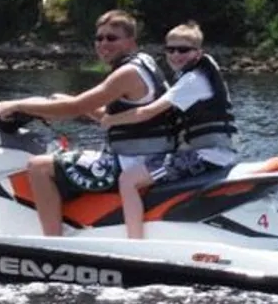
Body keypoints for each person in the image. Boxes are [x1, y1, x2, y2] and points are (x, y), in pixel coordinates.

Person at [0, 9, 174, 236]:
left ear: (131, 41)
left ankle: (52, 243)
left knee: (38, 167)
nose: (103, 44)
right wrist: (69, 101)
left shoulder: (127, 73)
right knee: (64, 155)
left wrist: (17, 105)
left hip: (133, 161)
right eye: (99, 38)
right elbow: (114, 119)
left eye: (112, 38)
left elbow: (74, 108)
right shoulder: (145, 62)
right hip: (148, 156)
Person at [100, 21, 238, 239]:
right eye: (170, 49)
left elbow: (147, 112)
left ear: (198, 52)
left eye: (183, 50)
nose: (175, 55)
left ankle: (134, 244)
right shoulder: (196, 74)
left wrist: (111, 119)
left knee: (128, 180)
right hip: (212, 153)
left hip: (207, 156)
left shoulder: (193, 80)